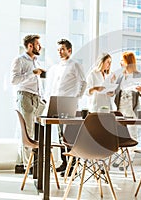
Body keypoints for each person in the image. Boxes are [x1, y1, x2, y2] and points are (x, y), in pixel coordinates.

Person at [46, 39, 86, 176]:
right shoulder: (57, 67)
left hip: (69, 103)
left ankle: (72, 167)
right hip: (57, 102)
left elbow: (83, 82)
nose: (60, 52)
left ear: (69, 50)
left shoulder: (75, 65)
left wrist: (76, 98)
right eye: (58, 50)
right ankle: (64, 164)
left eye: (62, 49)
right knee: (60, 136)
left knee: (70, 135)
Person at [11, 34, 46, 174]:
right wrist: (32, 73)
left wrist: (42, 99)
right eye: (38, 44)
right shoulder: (19, 60)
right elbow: (14, 80)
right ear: (30, 46)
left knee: (32, 131)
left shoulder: (36, 61)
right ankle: (28, 166)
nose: (40, 47)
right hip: (25, 96)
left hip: (37, 98)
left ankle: (21, 164)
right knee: (28, 132)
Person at [113, 51, 141, 170]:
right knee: (121, 134)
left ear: (128, 62)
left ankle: (128, 160)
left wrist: (140, 90)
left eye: (123, 60)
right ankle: (122, 158)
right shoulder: (120, 75)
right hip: (120, 108)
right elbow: (116, 91)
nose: (121, 63)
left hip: (131, 109)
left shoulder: (138, 75)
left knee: (132, 134)